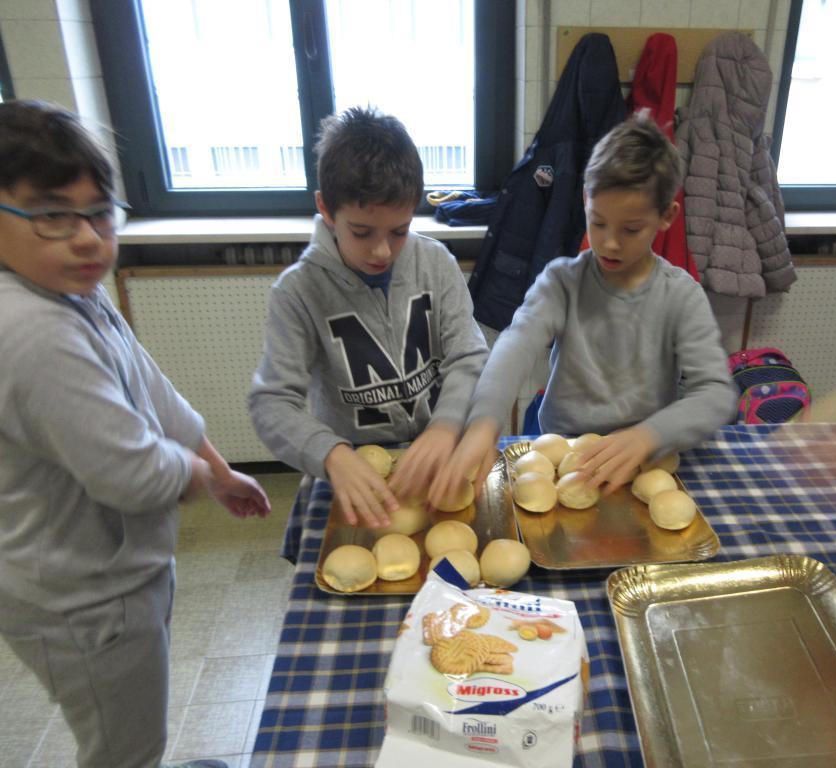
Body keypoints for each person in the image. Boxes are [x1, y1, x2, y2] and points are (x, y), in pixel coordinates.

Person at [0, 100, 271, 768]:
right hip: (80, 602)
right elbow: (128, 473)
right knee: (123, 748)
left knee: (135, 716)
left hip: (121, 575)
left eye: (99, 212)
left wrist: (214, 462)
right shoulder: (34, 333)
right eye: (53, 214)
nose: (89, 237)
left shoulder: (71, 290)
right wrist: (197, 475)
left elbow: (152, 390)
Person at [430, 114, 737, 503]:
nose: (609, 243)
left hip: (643, 458)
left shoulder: (681, 295)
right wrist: (484, 421)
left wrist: (649, 435)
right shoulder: (562, 282)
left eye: (630, 230)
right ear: (585, 201)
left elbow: (714, 394)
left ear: (666, 217)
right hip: (566, 456)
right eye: (599, 222)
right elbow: (516, 345)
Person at [249, 106, 489, 528]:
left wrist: (446, 425)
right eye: (362, 232)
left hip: (439, 451)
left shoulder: (435, 262)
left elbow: (468, 357)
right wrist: (329, 453)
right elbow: (272, 403)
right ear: (326, 208)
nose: (381, 251)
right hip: (354, 465)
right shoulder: (298, 292)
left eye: (398, 231)